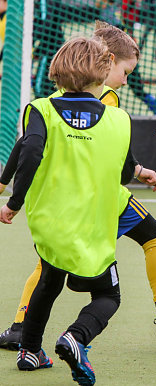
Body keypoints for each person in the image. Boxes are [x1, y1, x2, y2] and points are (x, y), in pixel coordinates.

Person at [0, 21, 156, 352]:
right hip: (100, 196)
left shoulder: (56, 97)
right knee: (152, 239)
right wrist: (136, 170)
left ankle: (20, 328)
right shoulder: (105, 99)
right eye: (126, 72)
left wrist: (4, 183)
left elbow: (27, 142)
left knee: (50, 263)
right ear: (108, 61)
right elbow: (111, 155)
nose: (126, 81)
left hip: (70, 198)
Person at [0, 35, 133, 385]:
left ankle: (30, 351)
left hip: (51, 228)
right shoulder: (119, 120)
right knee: (108, 294)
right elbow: (123, 173)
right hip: (92, 230)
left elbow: (29, 154)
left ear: (56, 72)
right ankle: (76, 336)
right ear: (102, 73)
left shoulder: (41, 109)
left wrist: (14, 203)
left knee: (49, 278)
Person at [97, 0, 156, 115]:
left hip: (122, 59)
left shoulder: (110, 13)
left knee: (137, 91)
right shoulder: (113, 11)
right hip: (124, 57)